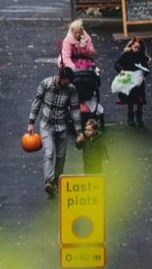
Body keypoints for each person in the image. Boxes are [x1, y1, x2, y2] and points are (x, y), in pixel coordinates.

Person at [26, 67, 82, 196]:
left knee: (61, 156)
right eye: (65, 82)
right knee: (49, 152)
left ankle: (58, 179)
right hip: (46, 125)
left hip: (62, 126)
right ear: (59, 77)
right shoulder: (46, 84)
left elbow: (75, 110)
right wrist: (31, 122)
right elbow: (37, 102)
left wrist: (78, 130)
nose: (67, 85)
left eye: (69, 83)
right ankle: (49, 181)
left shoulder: (71, 90)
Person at [60, 18, 102, 121]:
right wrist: (72, 68)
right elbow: (66, 56)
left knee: (89, 73)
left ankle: (87, 97)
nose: (78, 35)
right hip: (73, 61)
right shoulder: (68, 40)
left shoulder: (85, 38)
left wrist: (84, 45)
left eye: (80, 33)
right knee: (74, 76)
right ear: (72, 32)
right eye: (76, 33)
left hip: (85, 60)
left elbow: (91, 52)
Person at [114, 36, 152, 127]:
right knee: (130, 99)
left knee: (140, 100)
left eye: (138, 48)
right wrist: (121, 70)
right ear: (131, 46)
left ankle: (139, 116)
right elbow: (117, 63)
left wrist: (144, 72)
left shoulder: (142, 57)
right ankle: (130, 117)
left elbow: (146, 67)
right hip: (129, 79)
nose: (136, 49)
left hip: (138, 81)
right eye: (135, 47)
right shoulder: (126, 55)